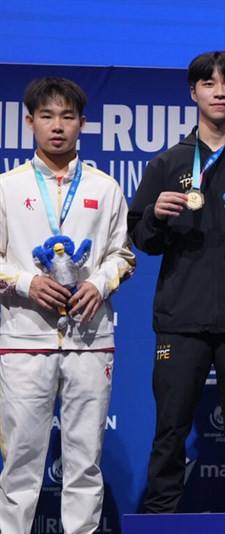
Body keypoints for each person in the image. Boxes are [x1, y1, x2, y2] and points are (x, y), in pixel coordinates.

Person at [128, 51, 225, 513]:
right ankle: (160, 517)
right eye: (209, 84)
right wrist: (155, 215)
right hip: (181, 317)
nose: (219, 92)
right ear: (192, 92)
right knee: (171, 427)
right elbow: (142, 239)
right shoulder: (167, 163)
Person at [0, 77, 135, 534]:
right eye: (46, 116)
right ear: (29, 122)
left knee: (85, 461)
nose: (57, 127)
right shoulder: (6, 187)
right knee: (20, 463)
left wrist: (99, 282)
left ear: (82, 123)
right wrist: (25, 282)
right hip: (23, 337)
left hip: (90, 337)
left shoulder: (106, 186)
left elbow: (123, 255)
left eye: (67, 116)